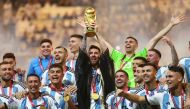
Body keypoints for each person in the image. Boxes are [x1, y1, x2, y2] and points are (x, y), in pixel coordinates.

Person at [96, 15, 185, 87]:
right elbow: (104, 43)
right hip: (119, 90)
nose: (128, 43)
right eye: (126, 42)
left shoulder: (141, 56)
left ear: (136, 45)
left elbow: (155, 39)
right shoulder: (117, 56)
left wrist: (171, 25)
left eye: (131, 42)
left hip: (136, 90)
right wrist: (93, 31)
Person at [116, 65, 188, 109]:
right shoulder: (162, 95)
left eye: (170, 76)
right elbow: (139, 98)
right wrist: (124, 94)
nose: (167, 79)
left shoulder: (187, 93)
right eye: (166, 77)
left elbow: (187, 85)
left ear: (180, 78)